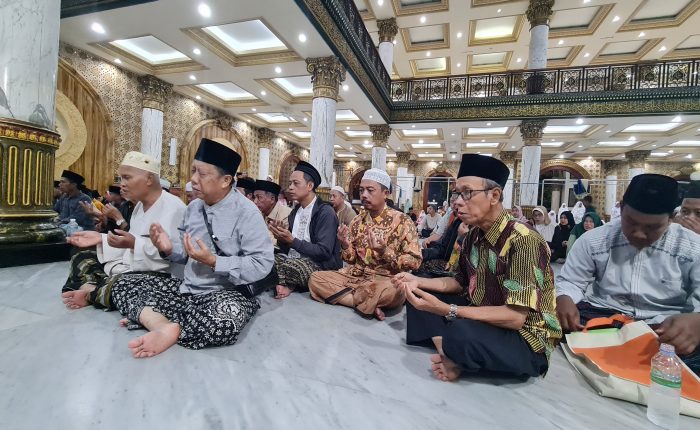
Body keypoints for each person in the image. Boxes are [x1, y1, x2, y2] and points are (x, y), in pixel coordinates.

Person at [395, 154, 560, 381]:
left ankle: (454, 347)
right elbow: (459, 281)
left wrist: (448, 310)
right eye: (456, 193)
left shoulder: (523, 240)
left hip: (524, 337)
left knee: (460, 331)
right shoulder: (473, 235)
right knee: (419, 294)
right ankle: (451, 351)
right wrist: (417, 281)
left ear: (494, 196)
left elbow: (515, 317)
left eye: (467, 193)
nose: (457, 201)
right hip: (483, 315)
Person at [109, 138, 274, 358]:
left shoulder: (247, 212)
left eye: (202, 174)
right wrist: (168, 248)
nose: (193, 179)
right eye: (194, 170)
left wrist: (214, 261)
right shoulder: (194, 208)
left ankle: (158, 321)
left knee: (225, 321)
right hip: (186, 290)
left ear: (225, 180)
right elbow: (185, 254)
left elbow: (262, 263)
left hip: (225, 294)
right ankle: (165, 326)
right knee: (123, 284)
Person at [556, 174, 700, 374]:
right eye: (631, 222)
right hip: (604, 316)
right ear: (622, 208)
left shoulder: (692, 248)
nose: (639, 233)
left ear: (670, 218)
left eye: (652, 227)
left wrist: (697, 321)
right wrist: (564, 297)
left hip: (663, 327)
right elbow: (571, 281)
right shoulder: (595, 240)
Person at [60, 152, 186, 309]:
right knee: (82, 255)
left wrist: (134, 244)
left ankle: (92, 291)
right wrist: (101, 239)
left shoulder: (175, 208)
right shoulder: (139, 206)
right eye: (121, 179)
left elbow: (174, 256)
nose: (122, 185)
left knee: (124, 284)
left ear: (149, 179)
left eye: (127, 178)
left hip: (161, 276)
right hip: (130, 267)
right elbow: (129, 244)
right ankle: (97, 291)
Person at [308, 168, 422, 320]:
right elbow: (350, 259)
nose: (364, 195)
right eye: (361, 190)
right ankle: (366, 304)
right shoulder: (357, 221)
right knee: (315, 278)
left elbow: (415, 262)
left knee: (396, 291)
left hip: (386, 280)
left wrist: (385, 251)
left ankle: (358, 299)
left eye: (370, 190)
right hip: (356, 277)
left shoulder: (403, 221)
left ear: (386, 193)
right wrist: (345, 245)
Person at [270, 161, 341, 299]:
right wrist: (281, 237)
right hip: (293, 260)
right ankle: (284, 283)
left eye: (296, 183)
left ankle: (284, 284)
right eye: (290, 183)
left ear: (309, 186)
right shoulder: (295, 211)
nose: (290, 187)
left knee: (291, 266)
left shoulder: (325, 212)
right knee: (267, 258)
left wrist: (293, 241)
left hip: (320, 266)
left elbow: (324, 252)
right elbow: (287, 249)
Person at [253, 179, 292, 246]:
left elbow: (279, 244)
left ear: (272, 199)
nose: (255, 201)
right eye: (254, 197)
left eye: (259, 197)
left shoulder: (287, 215)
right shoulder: (258, 213)